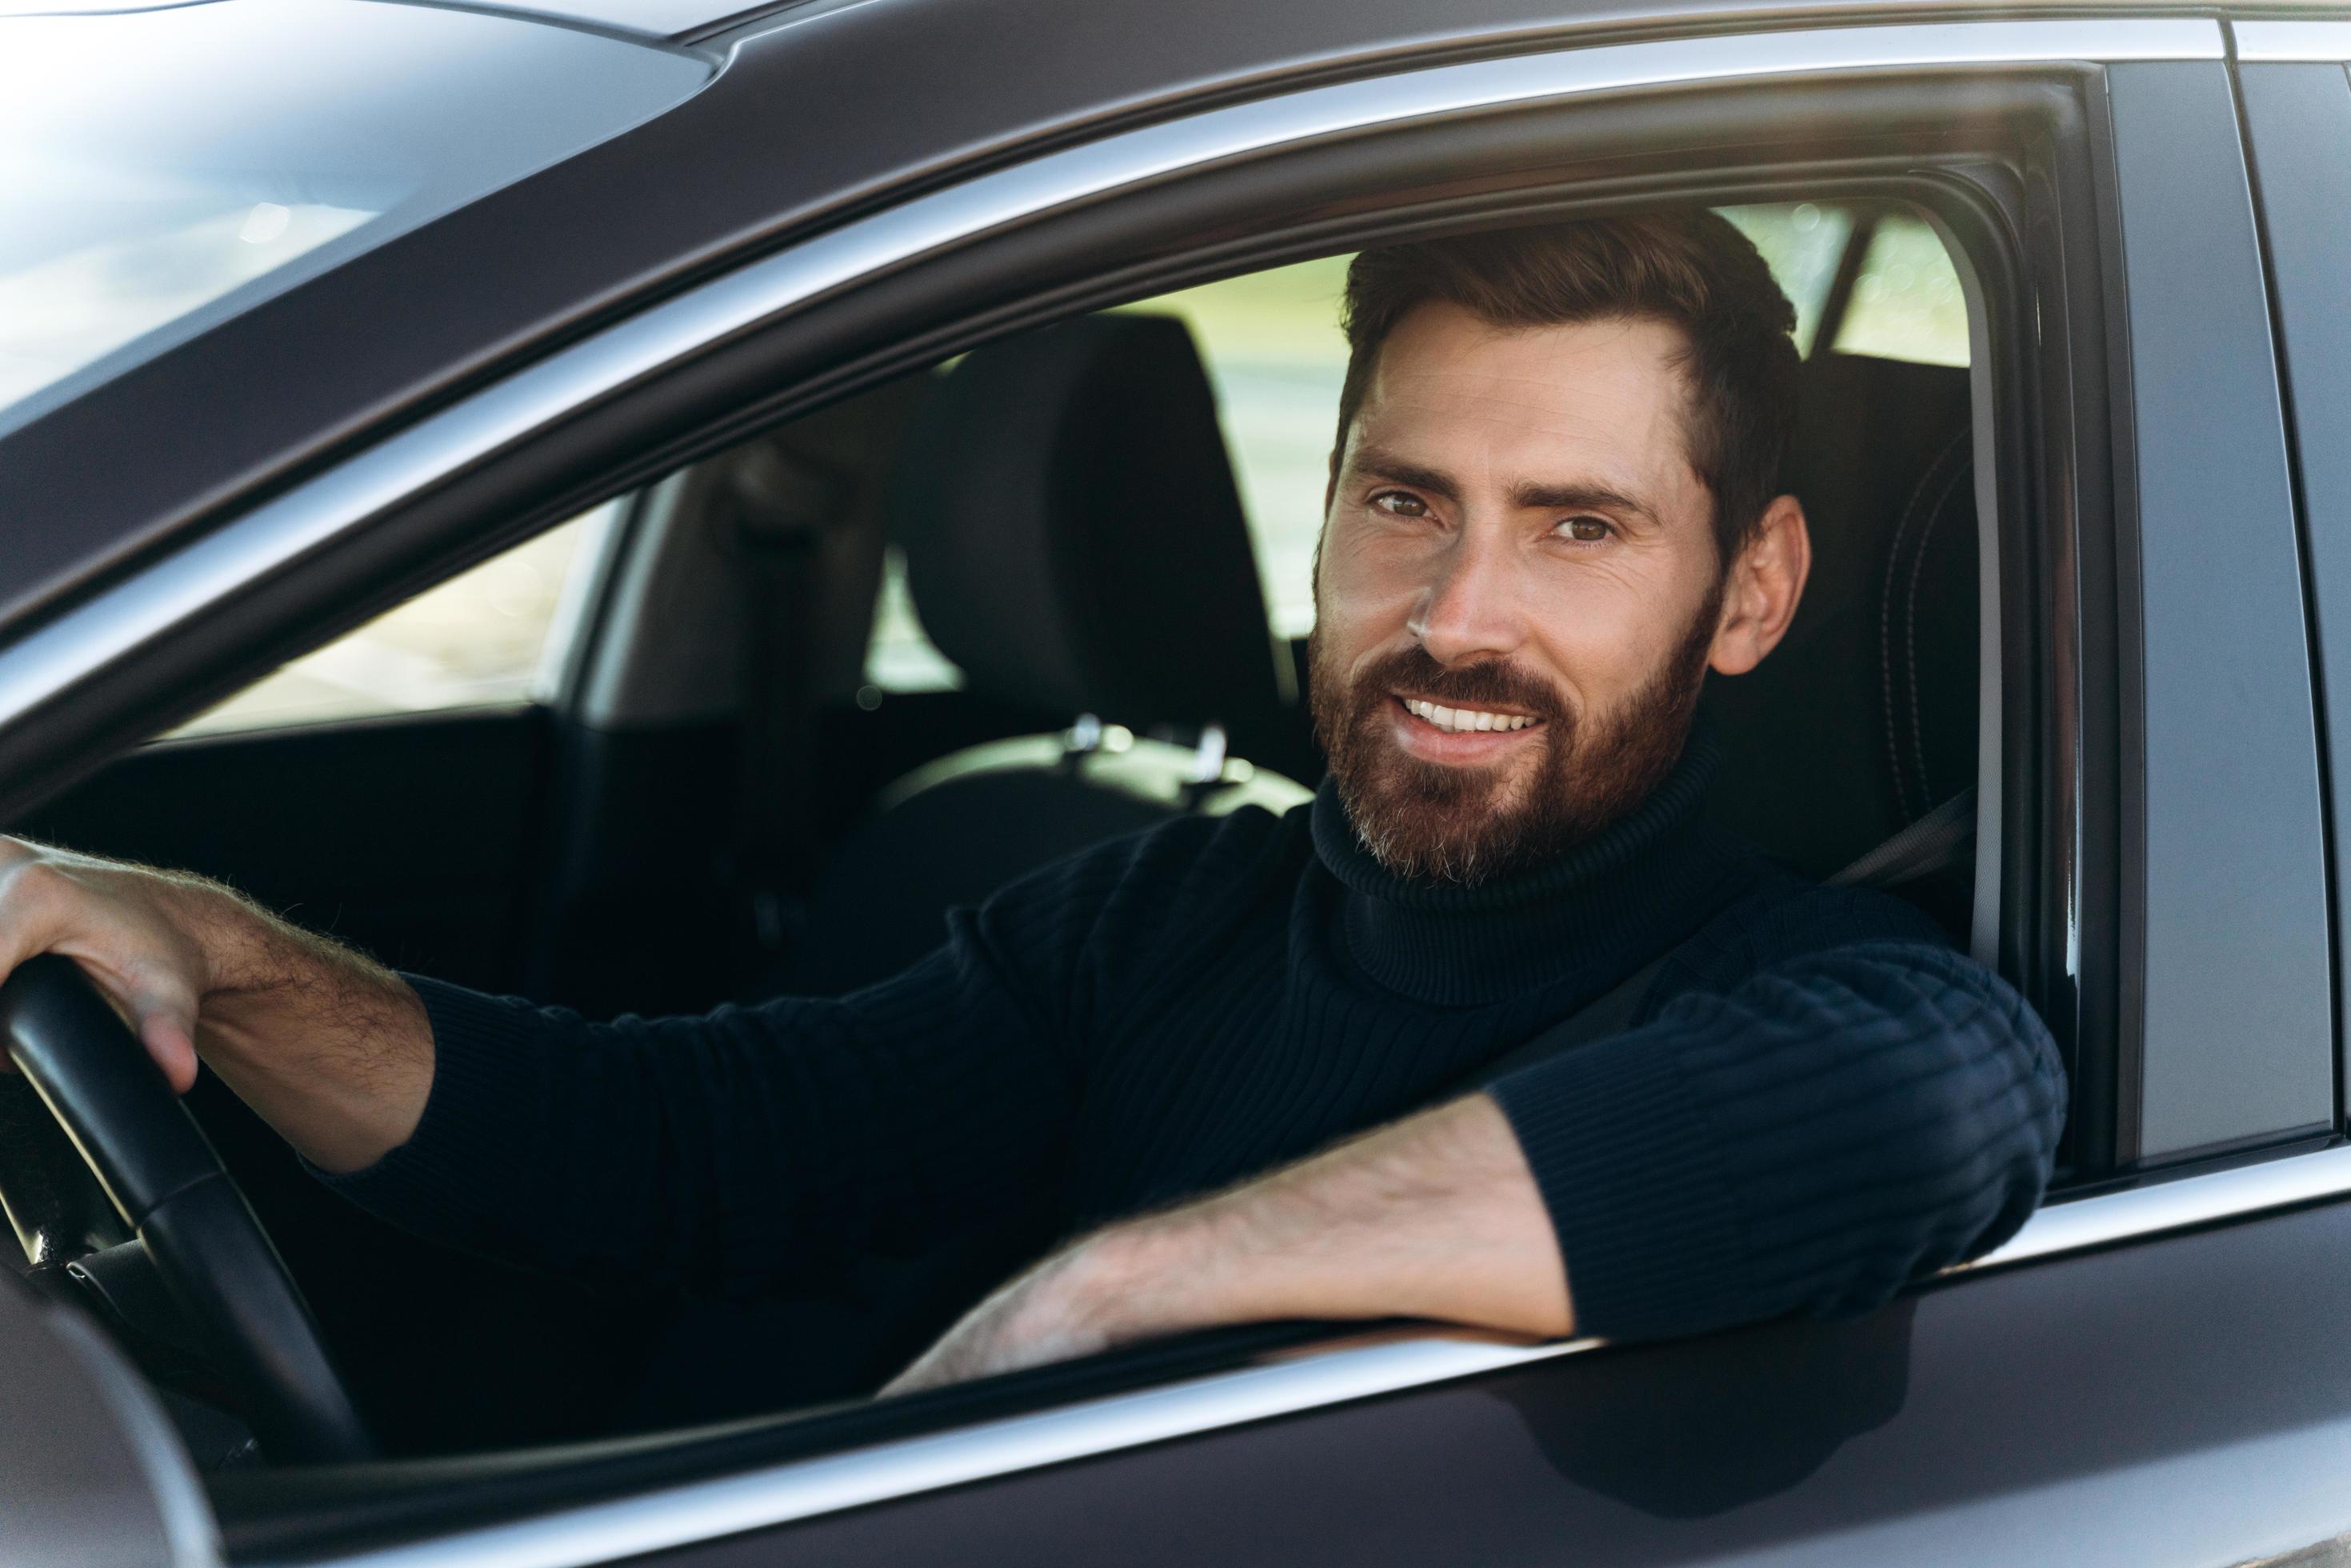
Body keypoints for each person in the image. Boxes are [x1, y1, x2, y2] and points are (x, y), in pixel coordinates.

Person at [0, 210, 2064, 1403]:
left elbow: (1932, 1104)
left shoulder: (1813, 981)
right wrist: (212, 956)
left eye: (1580, 529)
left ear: (1755, 591)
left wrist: (1106, 1289)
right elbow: (664, 1148)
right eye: (1405, 503)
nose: (1454, 616)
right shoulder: (1150, 919)